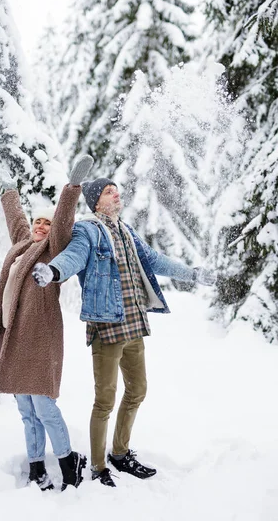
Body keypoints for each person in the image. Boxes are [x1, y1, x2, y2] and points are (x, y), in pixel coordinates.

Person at [32, 177, 216, 488]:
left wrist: (193, 274)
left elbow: (155, 260)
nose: (116, 194)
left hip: (134, 324)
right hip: (107, 327)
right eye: (108, 191)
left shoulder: (127, 232)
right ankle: (98, 466)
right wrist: (53, 271)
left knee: (137, 391)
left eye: (116, 190)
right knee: (104, 401)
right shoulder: (87, 229)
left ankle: (119, 452)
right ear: (95, 202)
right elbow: (74, 256)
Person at [0, 155, 93, 492]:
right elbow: (15, 218)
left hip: (41, 338)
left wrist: (71, 188)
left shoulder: (52, 250)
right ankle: (36, 466)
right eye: (37, 223)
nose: (40, 227)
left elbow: (62, 223)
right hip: (15, 339)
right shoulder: (22, 246)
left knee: (44, 407)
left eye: (46, 223)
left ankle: (70, 464)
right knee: (26, 410)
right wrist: (7, 188)